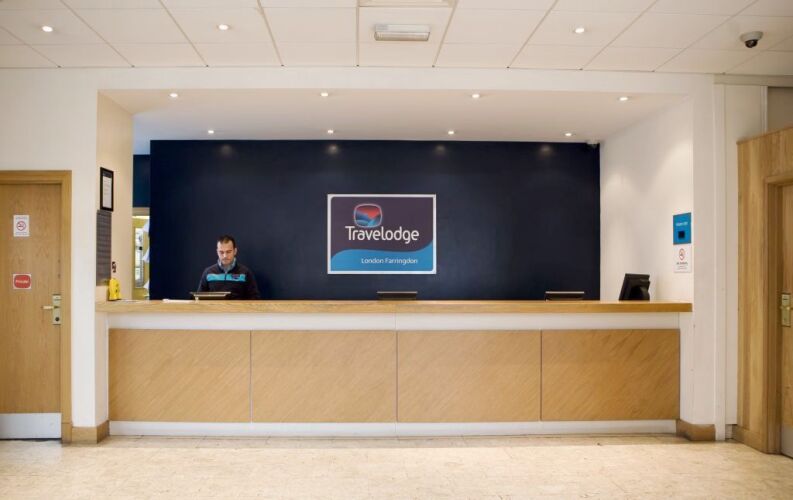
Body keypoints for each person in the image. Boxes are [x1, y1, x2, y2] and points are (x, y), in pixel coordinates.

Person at [197, 235, 260, 300]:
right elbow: (199, 299)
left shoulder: (245, 273)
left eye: (228, 252)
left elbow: (255, 299)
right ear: (217, 252)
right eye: (221, 252)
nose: (225, 256)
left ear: (235, 251)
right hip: (214, 307)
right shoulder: (208, 272)